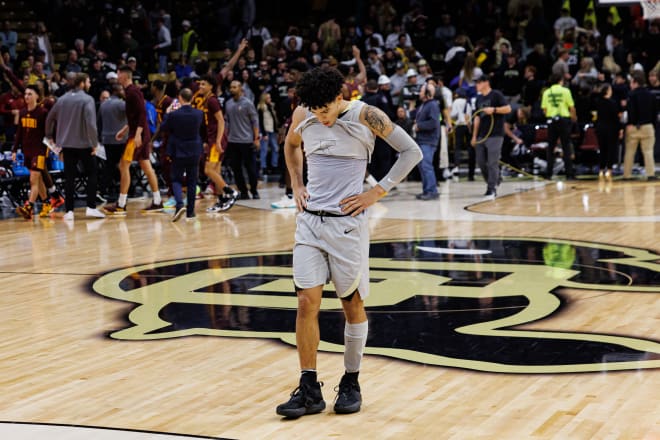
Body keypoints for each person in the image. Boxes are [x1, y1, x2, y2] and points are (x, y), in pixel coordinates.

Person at [275, 66, 422, 418]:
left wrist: (376, 192)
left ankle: (351, 380)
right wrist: (296, 183)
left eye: (325, 110)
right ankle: (309, 386)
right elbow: (291, 145)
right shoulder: (303, 113)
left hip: (347, 228)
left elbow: (411, 152)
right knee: (306, 304)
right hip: (310, 224)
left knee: (351, 305)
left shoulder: (367, 115)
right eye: (315, 111)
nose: (321, 117)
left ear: (340, 98)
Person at [44, 73, 106, 220]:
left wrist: (49, 136)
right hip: (84, 144)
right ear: (82, 83)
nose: (90, 84)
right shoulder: (87, 99)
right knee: (92, 173)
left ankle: (69, 211)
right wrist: (94, 143)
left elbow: (49, 118)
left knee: (69, 177)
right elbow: (91, 123)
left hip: (67, 145)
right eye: (89, 81)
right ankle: (91, 207)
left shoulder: (62, 99)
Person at [103, 65, 163, 215]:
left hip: (138, 135)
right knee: (146, 167)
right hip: (138, 133)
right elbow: (134, 116)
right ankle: (157, 200)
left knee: (123, 165)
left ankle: (121, 204)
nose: (117, 75)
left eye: (118, 73)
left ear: (124, 75)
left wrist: (137, 135)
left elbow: (142, 114)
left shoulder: (132, 92)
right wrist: (124, 130)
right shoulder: (131, 91)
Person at [191, 74, 238, 213]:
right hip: (211, 139)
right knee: (216, 171)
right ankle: (222, 199)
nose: (201, 86)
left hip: (217, 140)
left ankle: (231, 192)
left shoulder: (212, 100)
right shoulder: (206, 100)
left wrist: (217, 141)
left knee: (208, 170)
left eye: (204, 84)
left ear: (211, 86)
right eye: (200, 84)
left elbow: (221, 121)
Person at [158, 88, 203, 222]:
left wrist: (167, 113)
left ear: (180, 98)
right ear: (192, 98)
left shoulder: (173, 115)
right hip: (194, 150)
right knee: (192, 181)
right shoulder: (199, 114)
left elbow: (163, 128)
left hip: (178, 150)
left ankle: (179, 205)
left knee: (176, 179)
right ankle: (191, 211)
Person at [471, 75, 511, 198]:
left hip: (495, 134)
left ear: (486, 82)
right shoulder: (478, 99)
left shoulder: (496, 95)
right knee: (481, 162)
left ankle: (491, 188)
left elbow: (508, 109)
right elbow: (477, 118)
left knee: (493, 162)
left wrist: (494, 110)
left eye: (478, 82)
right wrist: (474, 136)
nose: (476, 85)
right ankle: (495, 179)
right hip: (482, 135)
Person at [13, 85, 49, 220]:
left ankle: (29, 207)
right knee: (38, 180)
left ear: (37, 96)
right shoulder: (22, 113)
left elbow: (48, 134)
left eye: (30, 94)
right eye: (26, 94)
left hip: (39, 151)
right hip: (27, 151)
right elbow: (19, 134)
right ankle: (46, 203)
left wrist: (48, 149)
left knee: (33, 179)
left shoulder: (43, 113)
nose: (26, 96)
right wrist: (15, 149)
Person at [225, 79, 260, 200]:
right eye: (231, 87)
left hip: (247, 140)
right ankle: (243, 191)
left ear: (241, 89)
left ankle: (254, 191)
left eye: (235, 87)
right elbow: (227, 122)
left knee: (250, 168)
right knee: (236, 168)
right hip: (233, 141)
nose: (232, 89)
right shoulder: (228, 104)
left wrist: (256, 138)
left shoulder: (247, 103)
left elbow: (255, 121)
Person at [540, 74, 577, 180]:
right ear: (560, 81)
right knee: (566, 147)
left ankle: (549, 173)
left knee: (551, 147)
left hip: (551, 121)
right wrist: (573, 118)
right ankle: (569, 174)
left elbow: (544, 109)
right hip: (564, 120)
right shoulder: (565, 91)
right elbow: (571, 107)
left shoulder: (546, 92)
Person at [623, 71, 657, 180]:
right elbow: (655, 112)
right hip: (647, 126)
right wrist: (653, 125)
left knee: (629, 152)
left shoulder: (631, 95)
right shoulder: (651, 94)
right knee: (648, 152)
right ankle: (650, 174)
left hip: (633, 127)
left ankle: (627, 175)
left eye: (631, 82)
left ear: (635, 82)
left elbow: (631, 111)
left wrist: (630, 123)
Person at [97, 84, 127, 202]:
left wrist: (100, 137)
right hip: (120, 139)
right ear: (117, 91)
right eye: (121, 89)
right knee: (124, 165)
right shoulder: (121, 104)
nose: (123, 91)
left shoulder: (103, 104)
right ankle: (124, 190)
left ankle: (102, 190)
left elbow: (98, 122)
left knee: (109, 166)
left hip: (107, 139)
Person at [412, 81, 441, 200]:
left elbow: (433, 122)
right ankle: (426, 190)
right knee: (423, 166)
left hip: (428, 140)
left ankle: (432, 191)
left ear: (428, 93)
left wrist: (419, 126)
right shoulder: (424, 105)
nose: (420, 92)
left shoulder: (432, 105)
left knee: (426, 166)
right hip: (422, 140)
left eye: (422, 90)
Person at [594, 83, 621, 180]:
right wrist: (620, 128)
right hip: (611, 129)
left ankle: (601, 170)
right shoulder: (612, 103)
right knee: (611, 149)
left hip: (600, 128)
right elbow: (615, 118)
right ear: (607, 91)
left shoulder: (597, 102)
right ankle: (609, 170)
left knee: (602, 149)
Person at [257, 91, 280, 177]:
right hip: (265, 131)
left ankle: (274, 165)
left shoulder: (271, 107)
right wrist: (263, 133)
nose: (270, 99)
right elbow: (260, 121)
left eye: (270, 98)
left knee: (275, 148)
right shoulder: (261, 108)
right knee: (264, 150)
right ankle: (264, 167)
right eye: (268, 98)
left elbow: (274, 119)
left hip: (272, 130)